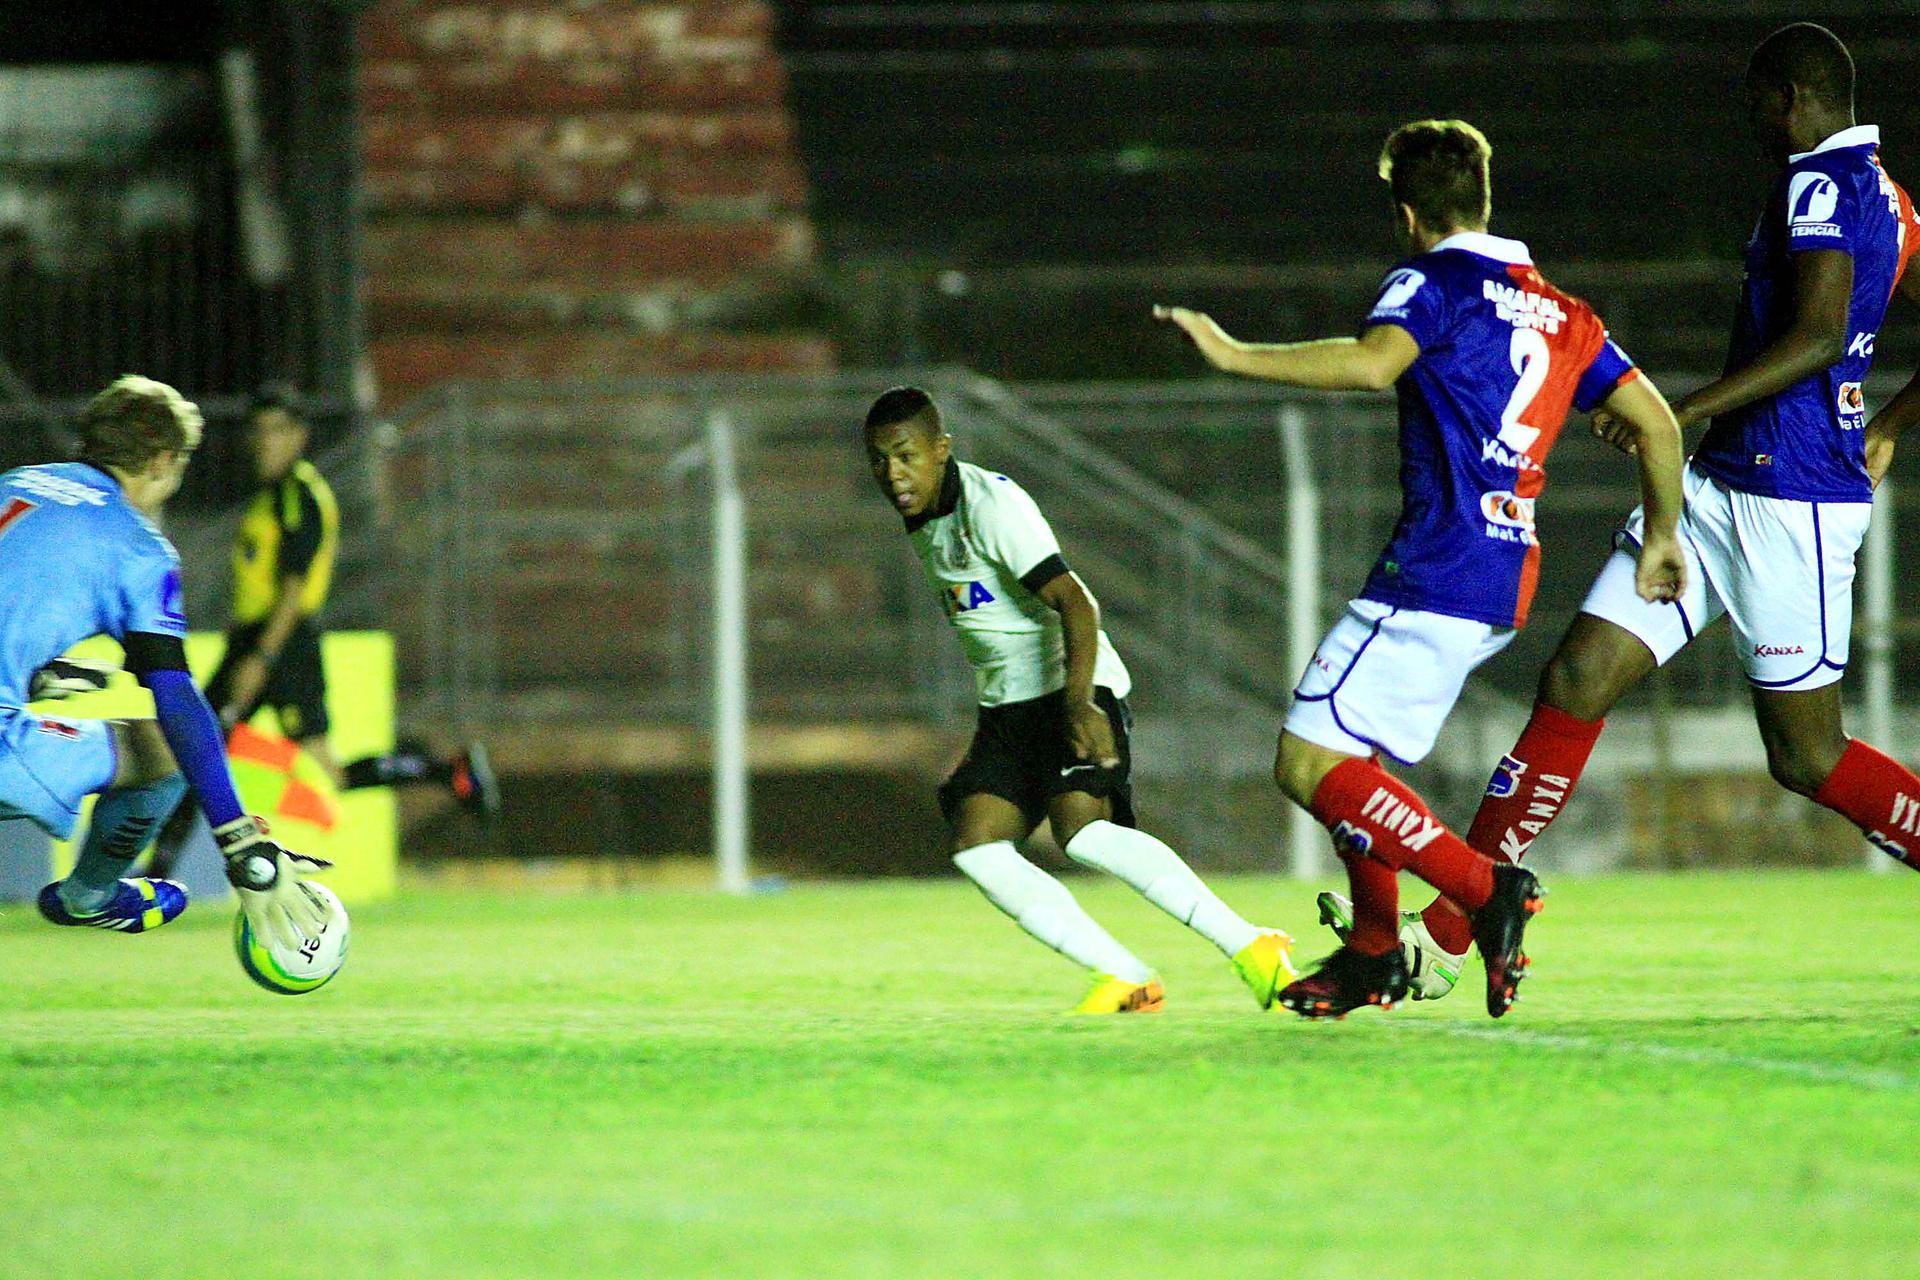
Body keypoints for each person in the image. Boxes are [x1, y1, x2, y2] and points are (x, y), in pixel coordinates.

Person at [1348, 24, 1920, 1002]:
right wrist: (1893, 421)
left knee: (1808, 755)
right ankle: (1459, 919)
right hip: (1715, 495)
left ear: (1788, 99)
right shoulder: (1898, 201)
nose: (1751, 122)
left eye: (1754, 102)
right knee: (1578, 676)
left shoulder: (1817, 186)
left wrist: (1686, 407)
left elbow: (1822, 330)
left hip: (1794, 506)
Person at [1158, 118, 1688, 1018]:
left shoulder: (1433, 281)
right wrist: (1664, 534)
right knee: (1356, 765)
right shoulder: (1565, 312)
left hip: (1437, 565)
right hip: (1502, 573)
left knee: (1304, 761)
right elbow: (1660, 423)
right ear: (1483, 197)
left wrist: (1233, 354)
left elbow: (1374, 367)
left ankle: (1487, 892)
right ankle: (1372, 953)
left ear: (1407, 215)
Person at [864, 386, 1297, 1013]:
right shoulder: (922, 510)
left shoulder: (991, 506)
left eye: (905, 456)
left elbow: (1077, 602)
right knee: (978, 844)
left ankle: (1251, 946)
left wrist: (1079, 707)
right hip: (1008, 707)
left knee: (1085, 834)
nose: (893, 474)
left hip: (1072, 686)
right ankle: (1124, 975)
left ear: (942, 450)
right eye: (879, 460)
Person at [0, 375, 329, 947]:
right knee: (162, 749)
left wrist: (36, 674)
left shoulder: (16, 482)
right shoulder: (138, 547)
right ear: (159, 462)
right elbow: (175, 698)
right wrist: (238, 840)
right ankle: (91, 894)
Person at [151, 384, 495, 876]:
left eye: (277, 430)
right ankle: (447, 771)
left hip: (277, 645)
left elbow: (293, 589)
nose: (265, 442)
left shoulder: (300, 498)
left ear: (298, 437)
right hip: (259, 642)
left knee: (198, 745)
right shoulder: (273, 497)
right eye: (259, 431)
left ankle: (154, 871)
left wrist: (260, 659)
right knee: (256, 755)